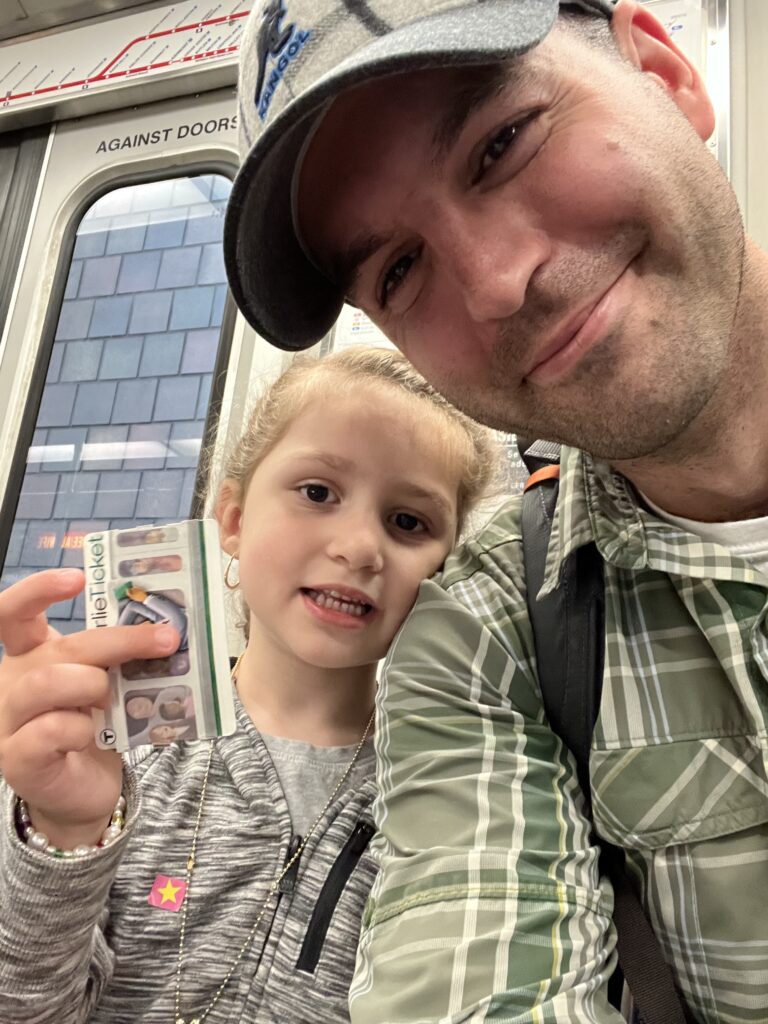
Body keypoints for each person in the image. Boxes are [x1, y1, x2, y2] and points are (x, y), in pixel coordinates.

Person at [220, 1, 768, 1021]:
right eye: (399, 269)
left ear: (665, 71)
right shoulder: (486, 639)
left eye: (504, 142)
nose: (497, 282)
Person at [0, 346, 496, 1024]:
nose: (359, 548)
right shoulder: (115, 752)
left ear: (444, 570)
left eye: (408, 522)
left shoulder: (447, 791)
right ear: (233, 520)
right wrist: (66, 831)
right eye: (318, 493)